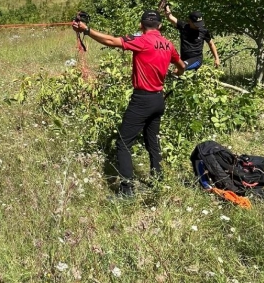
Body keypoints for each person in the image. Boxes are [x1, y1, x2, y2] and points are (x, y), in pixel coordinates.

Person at [72, 10, 186, 197]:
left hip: (142, 100)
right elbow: (181, 66)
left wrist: (86, 30)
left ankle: (127, 192)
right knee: (152, 142)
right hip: (158, 99)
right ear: (160, 26)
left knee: (123, 143)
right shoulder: (168, 44)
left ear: (141, 25)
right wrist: (175, 73)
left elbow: (110, 41)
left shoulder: (141, 40)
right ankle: (158, 180)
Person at [163, 6, 220, 70]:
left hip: (196, 59)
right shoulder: (184, 26)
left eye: (200, 23)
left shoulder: (203, 31)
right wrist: (166, 6)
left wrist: (216, 58)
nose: (198, 26)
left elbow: (211, 44)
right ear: (189, 21)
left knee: (179, 69)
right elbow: (170, 17)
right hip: (184, 59)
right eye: (196, 24)